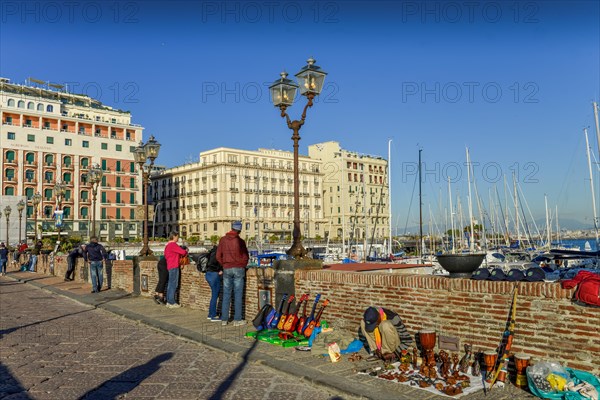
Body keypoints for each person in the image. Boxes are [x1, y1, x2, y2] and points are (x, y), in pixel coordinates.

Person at [216, 221, 249, 326]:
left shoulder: (223, 240)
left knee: (226, 294)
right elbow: (246, 257)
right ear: (239, 230)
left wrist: (224, 264)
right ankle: (237, 320)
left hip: (227, 268)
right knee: (238, 294)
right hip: (238, 268)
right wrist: (242, 264)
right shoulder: (240, 241)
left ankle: (224, 319)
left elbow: (218, 256)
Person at [164, 231, 188, 308]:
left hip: (170, 265)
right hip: (174, 266)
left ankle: (168, 301)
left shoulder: (167, 245)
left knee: (170, 284)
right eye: (177, 236)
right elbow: (183, 252)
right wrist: (186, 250)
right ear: (174, 236)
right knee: (173, 284)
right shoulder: (173, 245)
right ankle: (172, 302)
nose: (178, 238)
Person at [205, 245, 223, 321]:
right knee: (215, 295)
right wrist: (219, 269)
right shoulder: (218, 253)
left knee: (214, 294)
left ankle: (210, 314)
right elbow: (215, 264)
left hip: (208, 274)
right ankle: (213, 315)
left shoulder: (211, 252)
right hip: (214, 275)